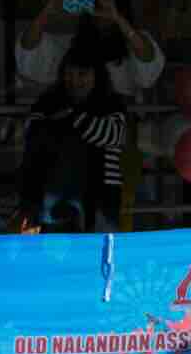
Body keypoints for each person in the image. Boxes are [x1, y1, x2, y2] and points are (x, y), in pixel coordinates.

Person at [19, 49, 127, 232]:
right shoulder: (47, 102)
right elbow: (31, 132)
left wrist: (70, 117)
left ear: (97, 76)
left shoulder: (111, 103)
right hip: (49, 200)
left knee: (99, 248)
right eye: (69, 74)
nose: (75, 81)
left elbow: (112, 135)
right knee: (53, 249)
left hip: (100, 200)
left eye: (82, 74)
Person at [15, 0, 164, 100]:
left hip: (117, 119)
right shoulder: (71, 44)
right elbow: (29, 49)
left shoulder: (133, 43)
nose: (101, 12)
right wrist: (45, 13)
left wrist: (118, 18)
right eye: (95, 5)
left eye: (107, 5)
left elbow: (147, 58)